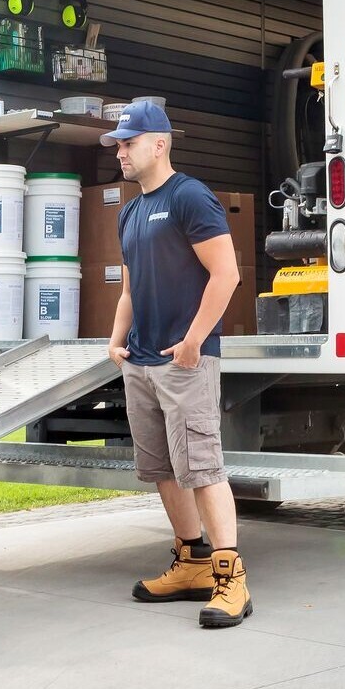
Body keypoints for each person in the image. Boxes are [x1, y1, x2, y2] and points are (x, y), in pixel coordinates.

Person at [101, 100, 250, 629]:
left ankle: (232, 579)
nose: (120, 151)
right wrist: (116, 343)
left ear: (159, 144)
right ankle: (192, 563)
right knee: (163, 470)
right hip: (141, 362)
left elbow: (226, 274)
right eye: (117, 144)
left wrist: (193, 342)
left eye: (128, 143)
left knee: (203, 468)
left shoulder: (189, 197)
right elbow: (131, 287)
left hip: (184, 362)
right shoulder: (130, 211)